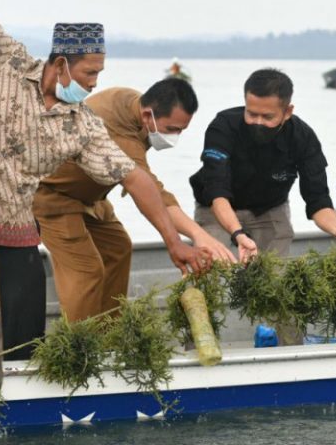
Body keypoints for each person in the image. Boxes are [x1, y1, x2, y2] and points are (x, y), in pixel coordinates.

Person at [0, 0, 210, 365]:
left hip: (13, 225)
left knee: (23, 338)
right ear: (61, 65)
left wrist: (174, 240)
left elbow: (134, 177)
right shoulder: (8, 61)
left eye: (100, 73)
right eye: (89, 72)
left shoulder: (83, 126)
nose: (94, 83)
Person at [33, 79, 235, 322]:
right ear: (149, 115)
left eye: (181, 130)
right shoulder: (118, 131)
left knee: (118, 248)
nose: (175, 137)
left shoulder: (134, 102)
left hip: (93, 199)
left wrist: (195, 235)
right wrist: (191, 237)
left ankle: (109, 335)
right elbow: (149, 191)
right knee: (87, 269)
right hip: (55, 198)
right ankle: (80, 348)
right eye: (172, 129)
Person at [189, 68, 336, 263]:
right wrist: (238, 233)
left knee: (272, 280)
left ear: (287, 112)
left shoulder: (303, 138)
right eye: (251, 114)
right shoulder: (223, 126)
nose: (257, 123)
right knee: (209, 269)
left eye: (267, 117)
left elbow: (318, 201)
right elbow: (217, 191)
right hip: (217, 208)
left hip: (270, 208)